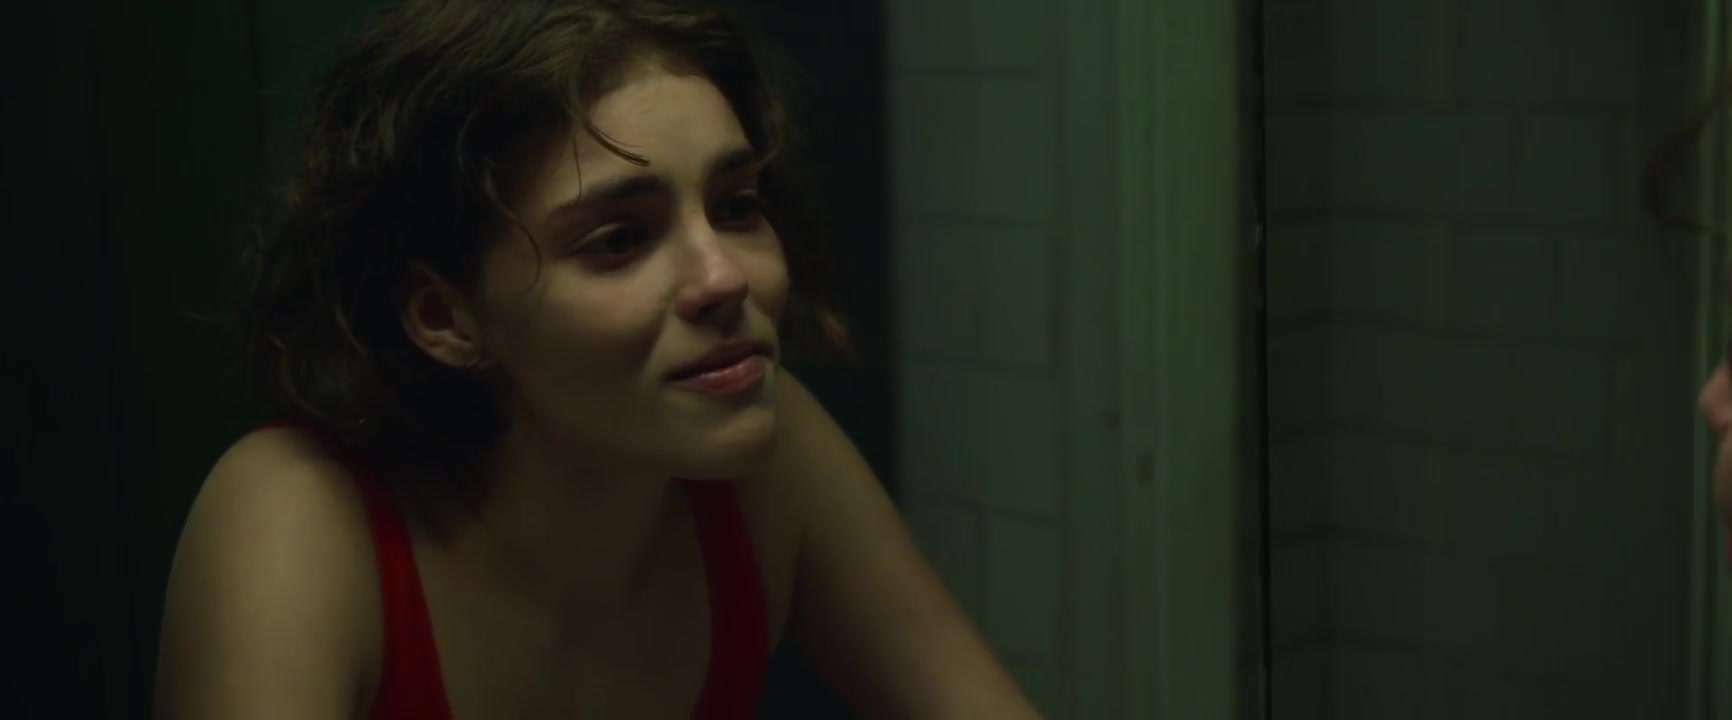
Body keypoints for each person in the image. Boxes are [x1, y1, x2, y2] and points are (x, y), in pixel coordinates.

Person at [153, 1, 1041, 717]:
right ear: (445, 317)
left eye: (736, 206)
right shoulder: (300, 517)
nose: (724, 277)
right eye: (619, 240)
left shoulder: (771, 455)